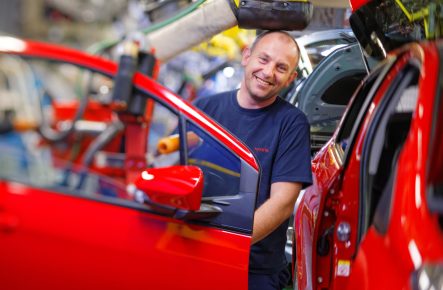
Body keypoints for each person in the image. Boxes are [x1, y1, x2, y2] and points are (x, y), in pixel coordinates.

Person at [194, 30, 312, 290]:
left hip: (252, 269)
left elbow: (282, 203)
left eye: (281, 68)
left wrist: (228, 246)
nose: (269, 72)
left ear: (291, 78)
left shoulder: (291, 123)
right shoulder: (204, 109)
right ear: (246, 56)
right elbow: (170, 165)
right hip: (192, 253)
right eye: (263, 59)